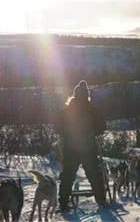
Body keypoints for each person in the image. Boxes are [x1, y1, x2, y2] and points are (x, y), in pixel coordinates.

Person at [54, 80, 107, 212]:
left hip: (71, 148)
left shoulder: (66, 110)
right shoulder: (92, 110)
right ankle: (101, 201)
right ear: (87, 95)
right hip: (88, 148)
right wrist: (95, 131)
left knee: (67, 175)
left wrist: (66, 132)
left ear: (75, 95)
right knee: (94, 174)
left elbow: (57, 127)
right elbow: (102, 127)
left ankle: (63, 202)